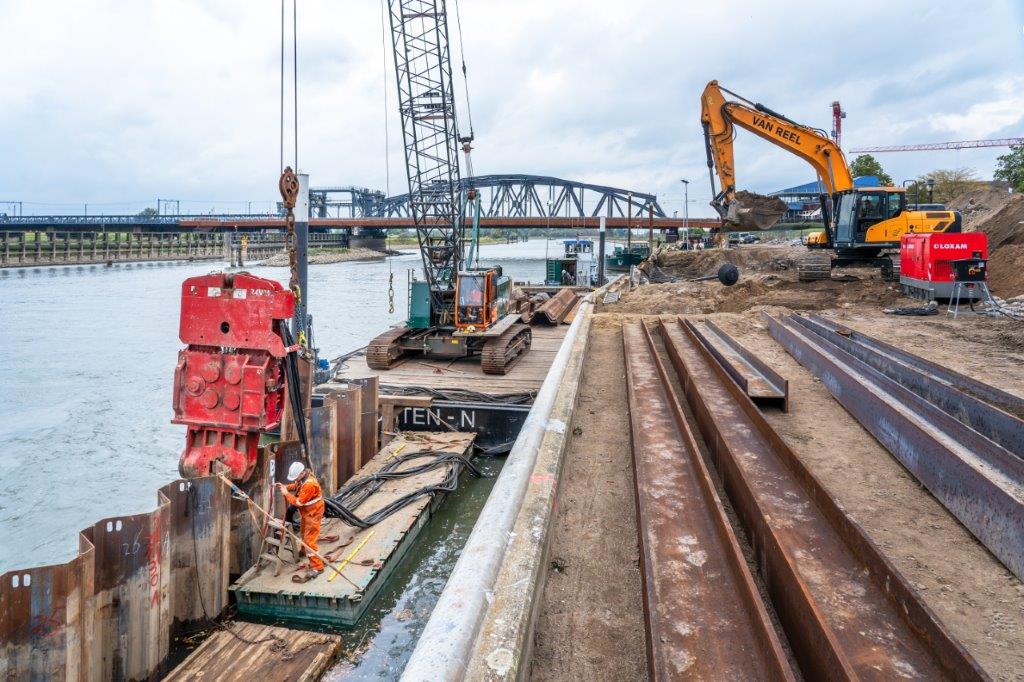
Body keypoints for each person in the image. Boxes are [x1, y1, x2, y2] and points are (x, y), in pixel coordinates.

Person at [276, 462, 325, 582]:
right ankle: (304, 551)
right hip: (307, 512)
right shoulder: (303, 477)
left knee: (309, 541)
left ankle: (318, 567)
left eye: (296, 477)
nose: (296, 479)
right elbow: (296, 486)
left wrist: (286, 494)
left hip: (313, 513)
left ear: (302, 473)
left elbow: (298, 503)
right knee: (303, 533)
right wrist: (285, 487)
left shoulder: (309, 485)